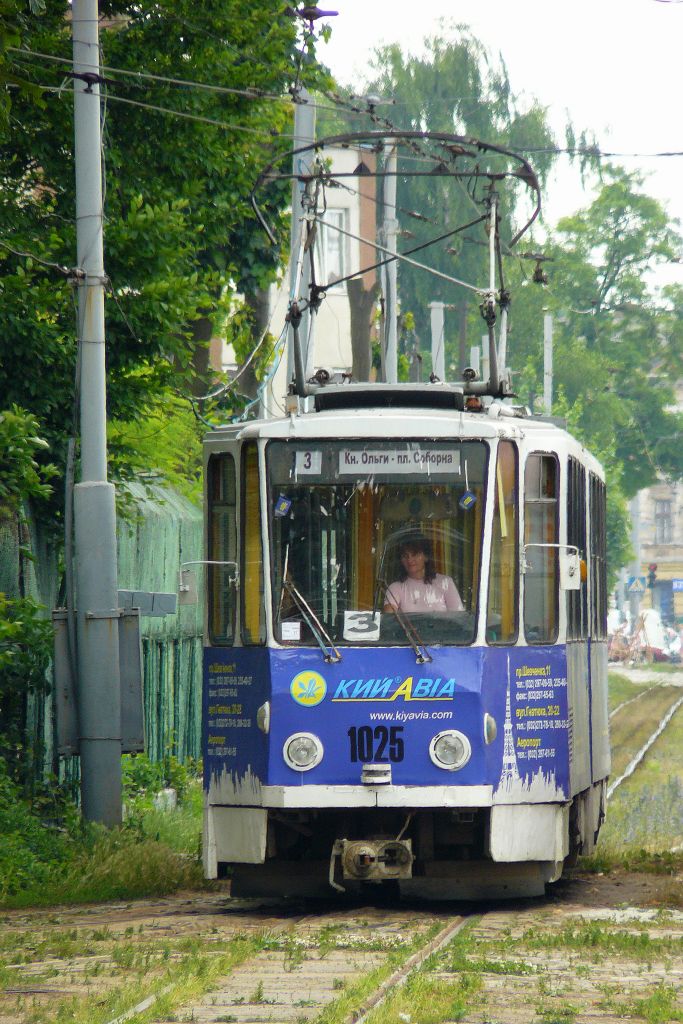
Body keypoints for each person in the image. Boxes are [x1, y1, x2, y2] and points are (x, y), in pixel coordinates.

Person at [384, 534, 463, 614]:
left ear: (426, 557)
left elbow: (458, 618)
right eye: (405, 556)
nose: (410, 560)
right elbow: (389, 621)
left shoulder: (445, 583)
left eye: (414, 555)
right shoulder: (395, 588)